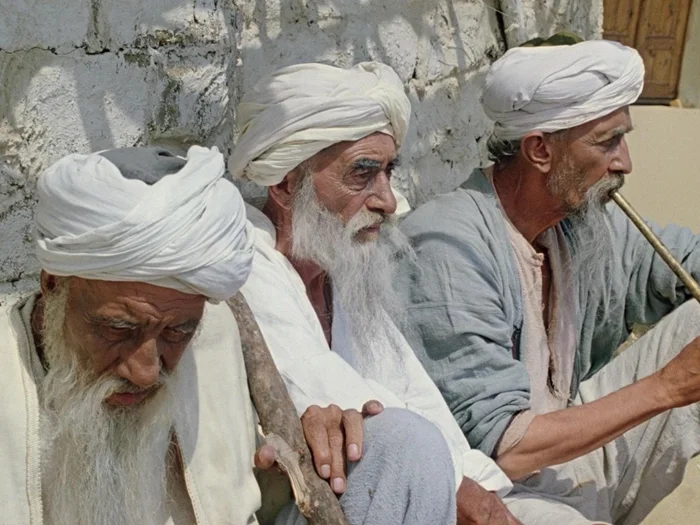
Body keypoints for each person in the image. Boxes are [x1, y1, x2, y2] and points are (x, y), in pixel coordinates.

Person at [400, 38, 700, 525]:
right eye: (607, 142)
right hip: (499, 490)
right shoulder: (447, 247)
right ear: (539, 149)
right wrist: (668, 388)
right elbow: (505, 450)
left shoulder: (582, 222)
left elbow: (685, 259)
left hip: (574, 456)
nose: (624, 163)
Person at [229, 61, 519, 525]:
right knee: (406, 445)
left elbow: (414, 393)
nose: (387, 200)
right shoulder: (245, 264)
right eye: (362, 174)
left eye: (388, 172)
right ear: (286, 184)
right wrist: (469, 497)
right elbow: (338, 397)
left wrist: (484, 493)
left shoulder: (341, 273)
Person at [1, 146, 262, 525]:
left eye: (177, 332)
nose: (145, 373)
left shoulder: (215, 338)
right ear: (53, 286)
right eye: (119, 329)